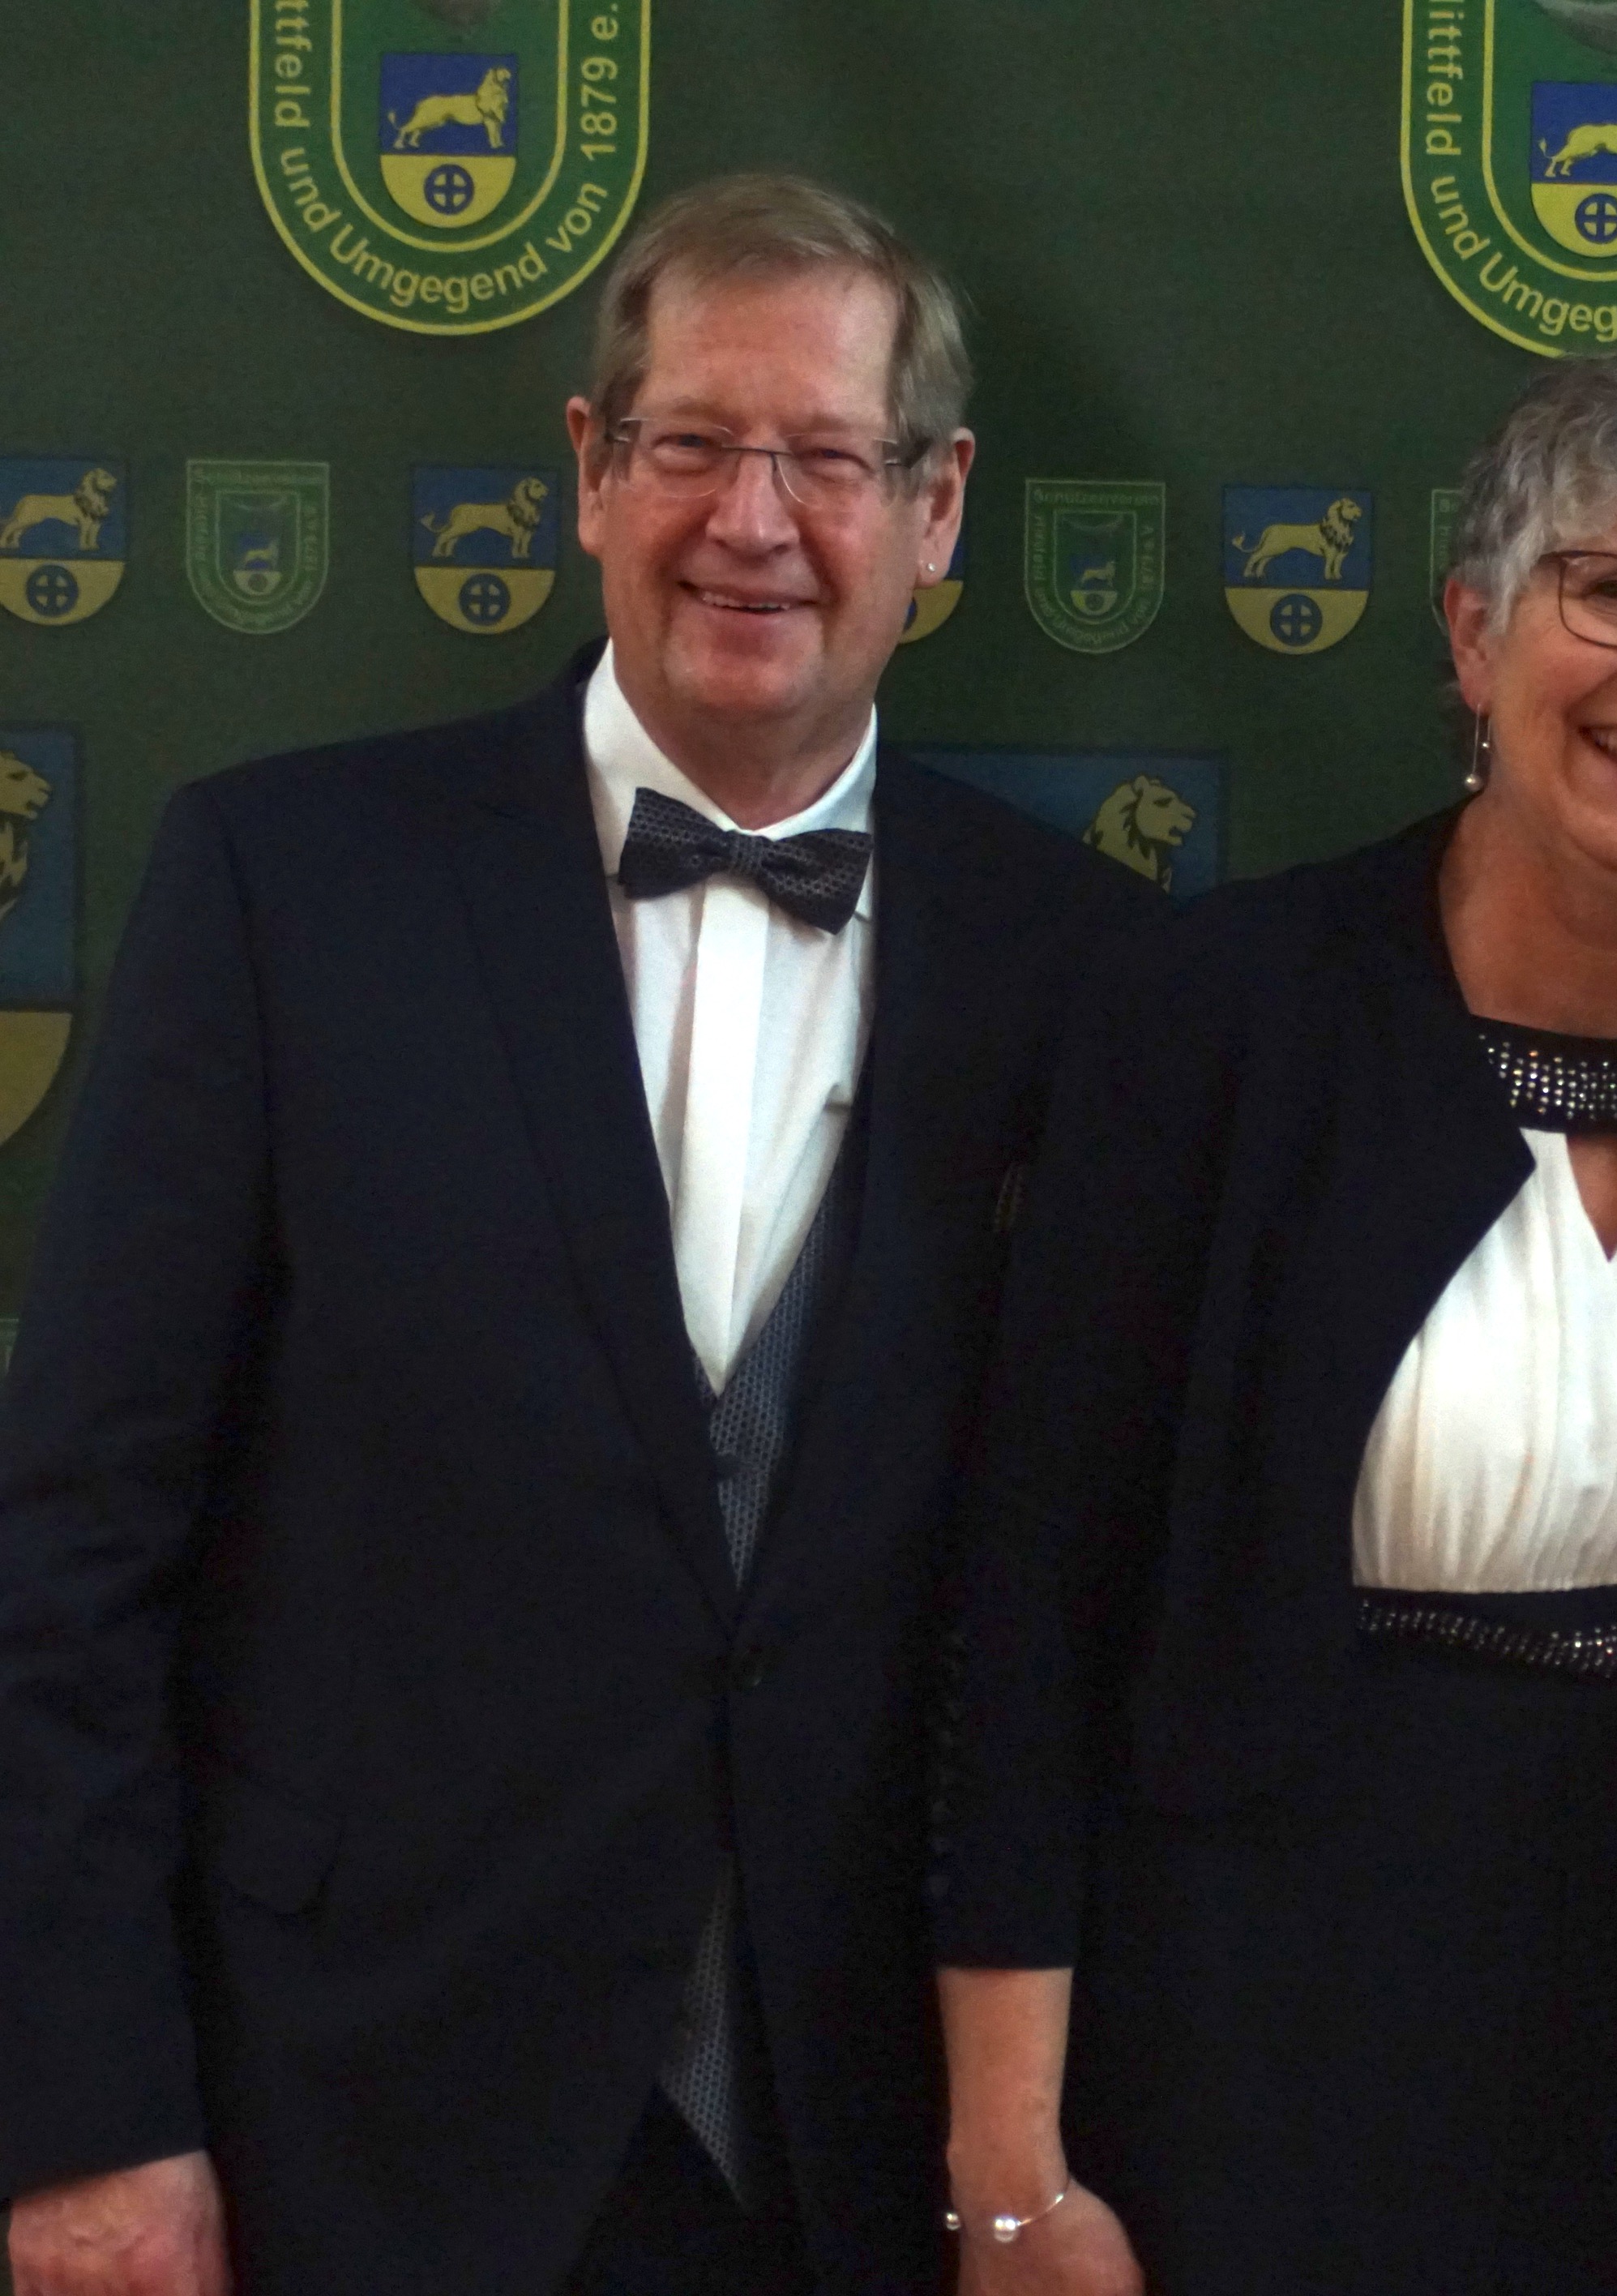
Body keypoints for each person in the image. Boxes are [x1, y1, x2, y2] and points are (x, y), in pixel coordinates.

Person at [0, 174, 1141, 2296]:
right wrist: (88, 2122)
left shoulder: (1086, 970)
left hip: (854, 2152)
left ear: (938, 507)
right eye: (693, 442)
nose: (752, 520)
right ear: (592, 469)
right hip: (349, 2121)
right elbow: (68, 1552)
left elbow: (1081, 1610)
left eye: (827, 459)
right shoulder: (285, 886)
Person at [927, 345, 1617, 2296]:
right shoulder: (1214, 1022)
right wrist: (1010, 2169)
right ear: (1469, 631)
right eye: (1612, 591)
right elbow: (1027, 1615)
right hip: (1256, 2051)